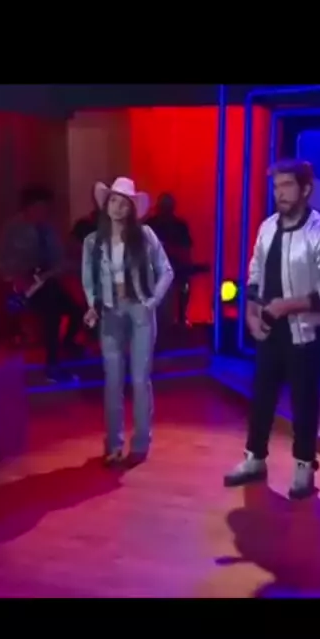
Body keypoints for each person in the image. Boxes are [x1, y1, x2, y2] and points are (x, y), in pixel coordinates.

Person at [224, 159, 320, 499]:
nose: (279, 193)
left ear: (306, 189)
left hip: (306, 334)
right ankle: (254, 458)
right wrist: (252, 312)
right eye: (276, 186)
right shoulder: (267, 228)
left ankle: (304, 466)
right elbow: (255, 273)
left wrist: (289, 305)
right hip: (270, 330)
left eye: (286, 186)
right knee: (261, 396)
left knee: (304, 402)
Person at [81, 176, 174, 465]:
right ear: (106, 204)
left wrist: (152, 302)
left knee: (139, 378)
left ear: (132, 209)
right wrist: (92, 306)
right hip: (110, 312)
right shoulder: (93, 242)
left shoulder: (145, 235)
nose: (117, 207)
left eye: (124, 203)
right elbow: (89, 281)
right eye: (113, 201)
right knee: (112, 381)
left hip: (139, 310)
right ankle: (113, 444)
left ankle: (141, 443)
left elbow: (166, 271)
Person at [0, 185, 83, 382]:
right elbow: (1, 261)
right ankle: (52, 366)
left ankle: (67, 345)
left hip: (46, 282)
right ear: (28, 207)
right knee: (52, 311)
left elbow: (59, 259)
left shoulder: (48, 230)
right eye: (39, 207)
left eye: (46, 208)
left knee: (77, 310)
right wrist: (16, 277)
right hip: (21, 290)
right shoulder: (13, 230)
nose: (43, 212)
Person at [147, 193, 193, 325]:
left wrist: (171, 249)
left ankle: (182, 316)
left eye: (168, 207)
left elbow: (187, 246)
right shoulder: (150, 225)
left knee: (185, 284)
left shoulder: (180, 226)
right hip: (153, 267)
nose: (165, 210)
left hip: (176, 266)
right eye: (163, 206)